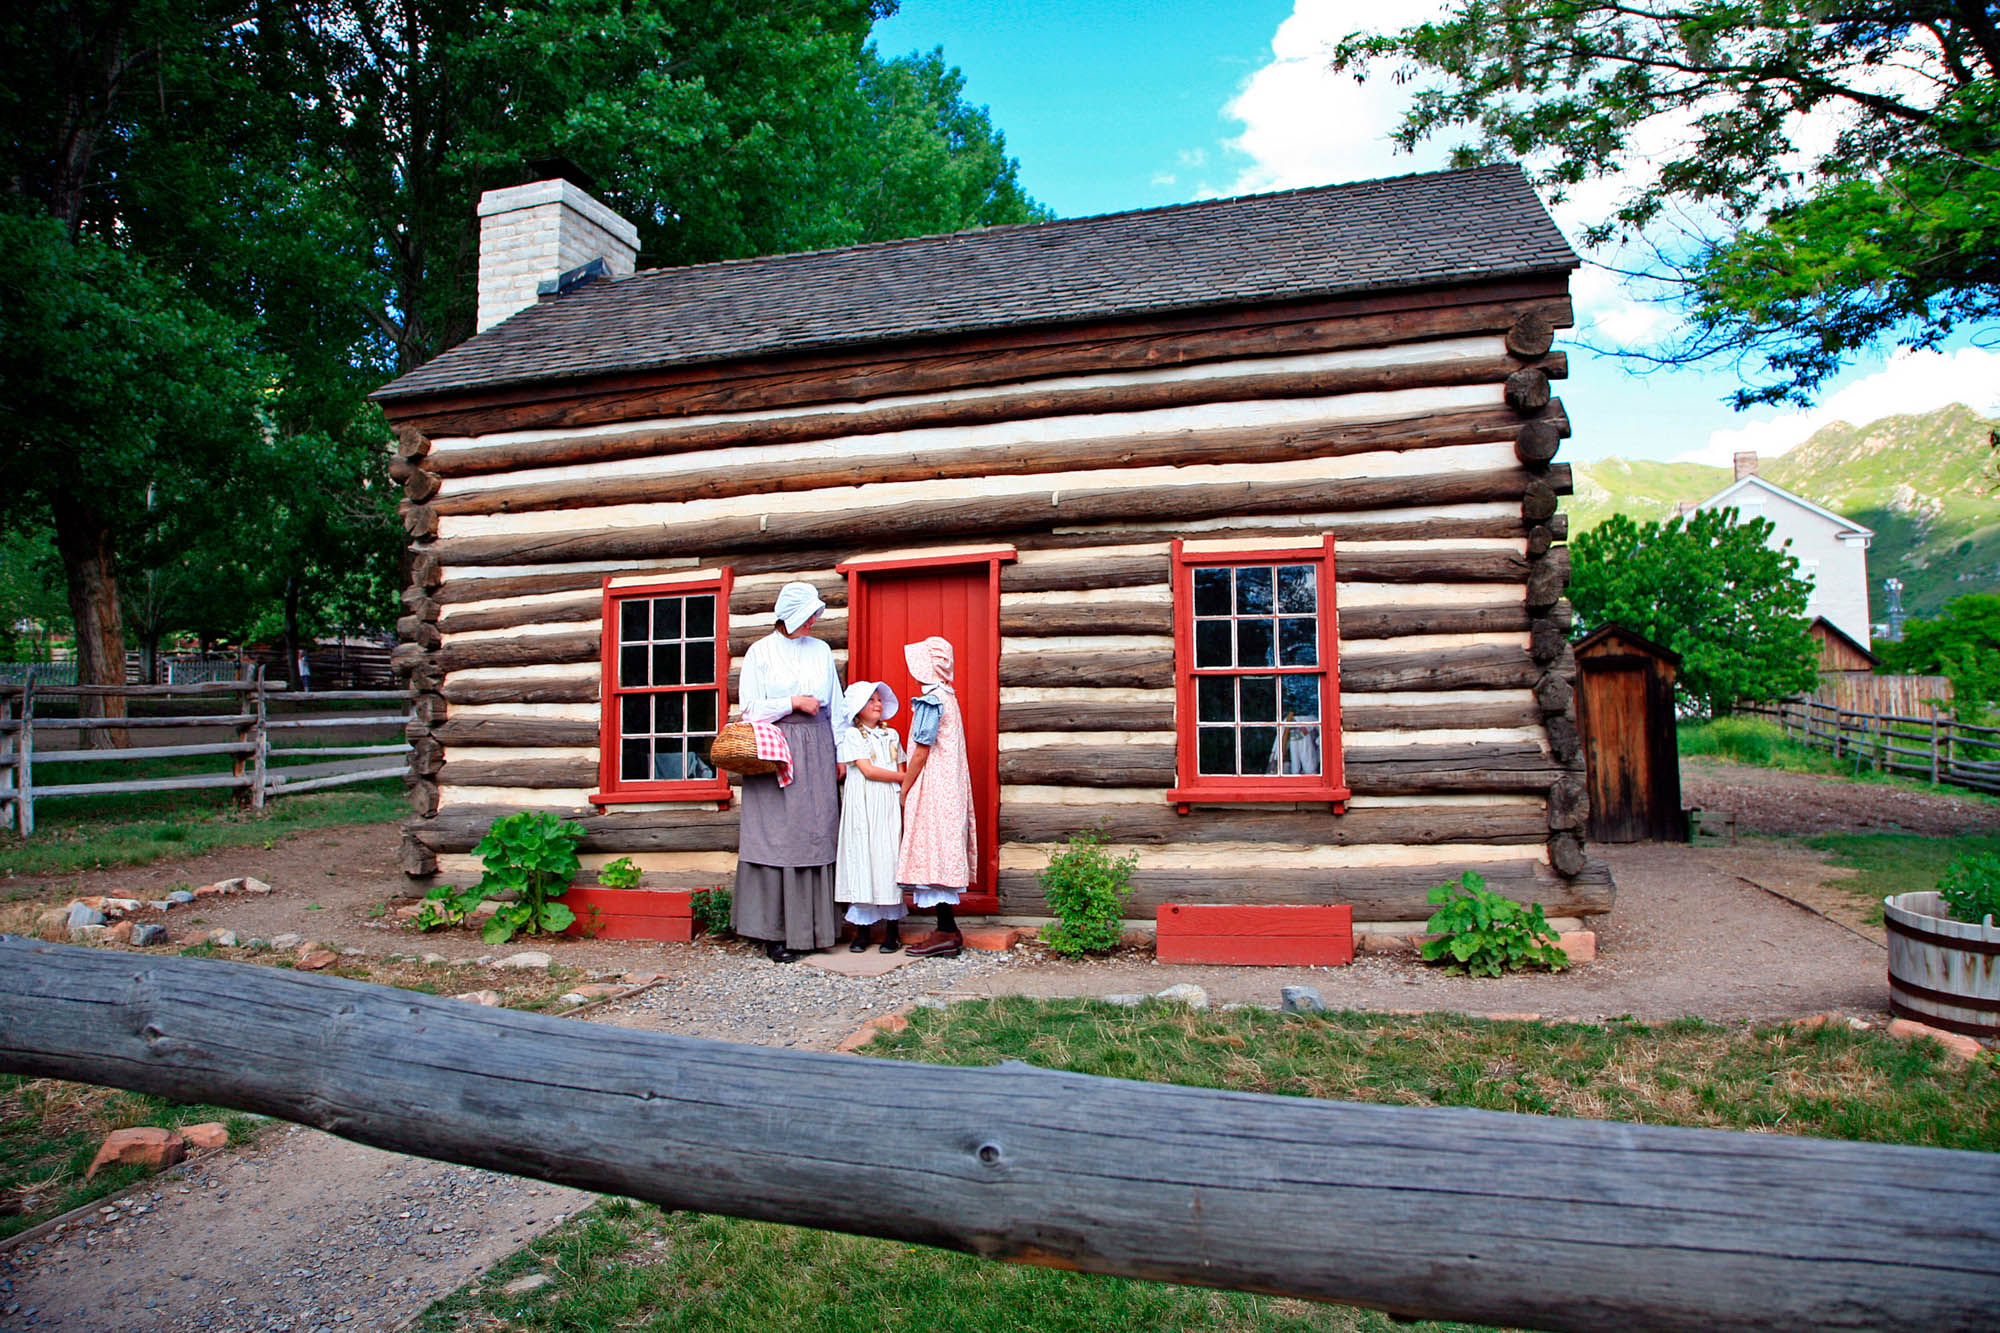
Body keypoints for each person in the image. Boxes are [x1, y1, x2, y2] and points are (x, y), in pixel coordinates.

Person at [731, 582, 843, 962]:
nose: (814, 621)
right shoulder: (760, 652)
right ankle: (773, 932)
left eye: (816, 614)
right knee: (777, 836)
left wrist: (840, 753)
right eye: (808, 615)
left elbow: (837, 707)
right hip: (774, 750)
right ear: (790, 616)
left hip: (818, 744)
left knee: (816, 831)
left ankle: (816, 929)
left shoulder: (822, 650)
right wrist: (791, 701)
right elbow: (749, 710)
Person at [896, 636, 975, 959]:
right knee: (939, 852)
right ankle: (946, 929)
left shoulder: (932, 700)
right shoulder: (948, 697)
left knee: (934, 851)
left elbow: (920, 752)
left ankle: (946, 931)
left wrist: (905, 787)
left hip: (933, 786)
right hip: (947, 785)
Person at [833, 680, 907, 953]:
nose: (877, 704)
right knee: (863, 856)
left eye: (878, 700)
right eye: (870, 700)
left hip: (886, 802)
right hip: (863, 803)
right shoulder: (853, 736)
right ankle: (862, 930)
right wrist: (904, 777)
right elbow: (868, 770)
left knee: (887, 857)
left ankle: (892, 930)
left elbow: (901, 764)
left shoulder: (892, 735)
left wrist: (903, 786)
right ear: (857, 708)